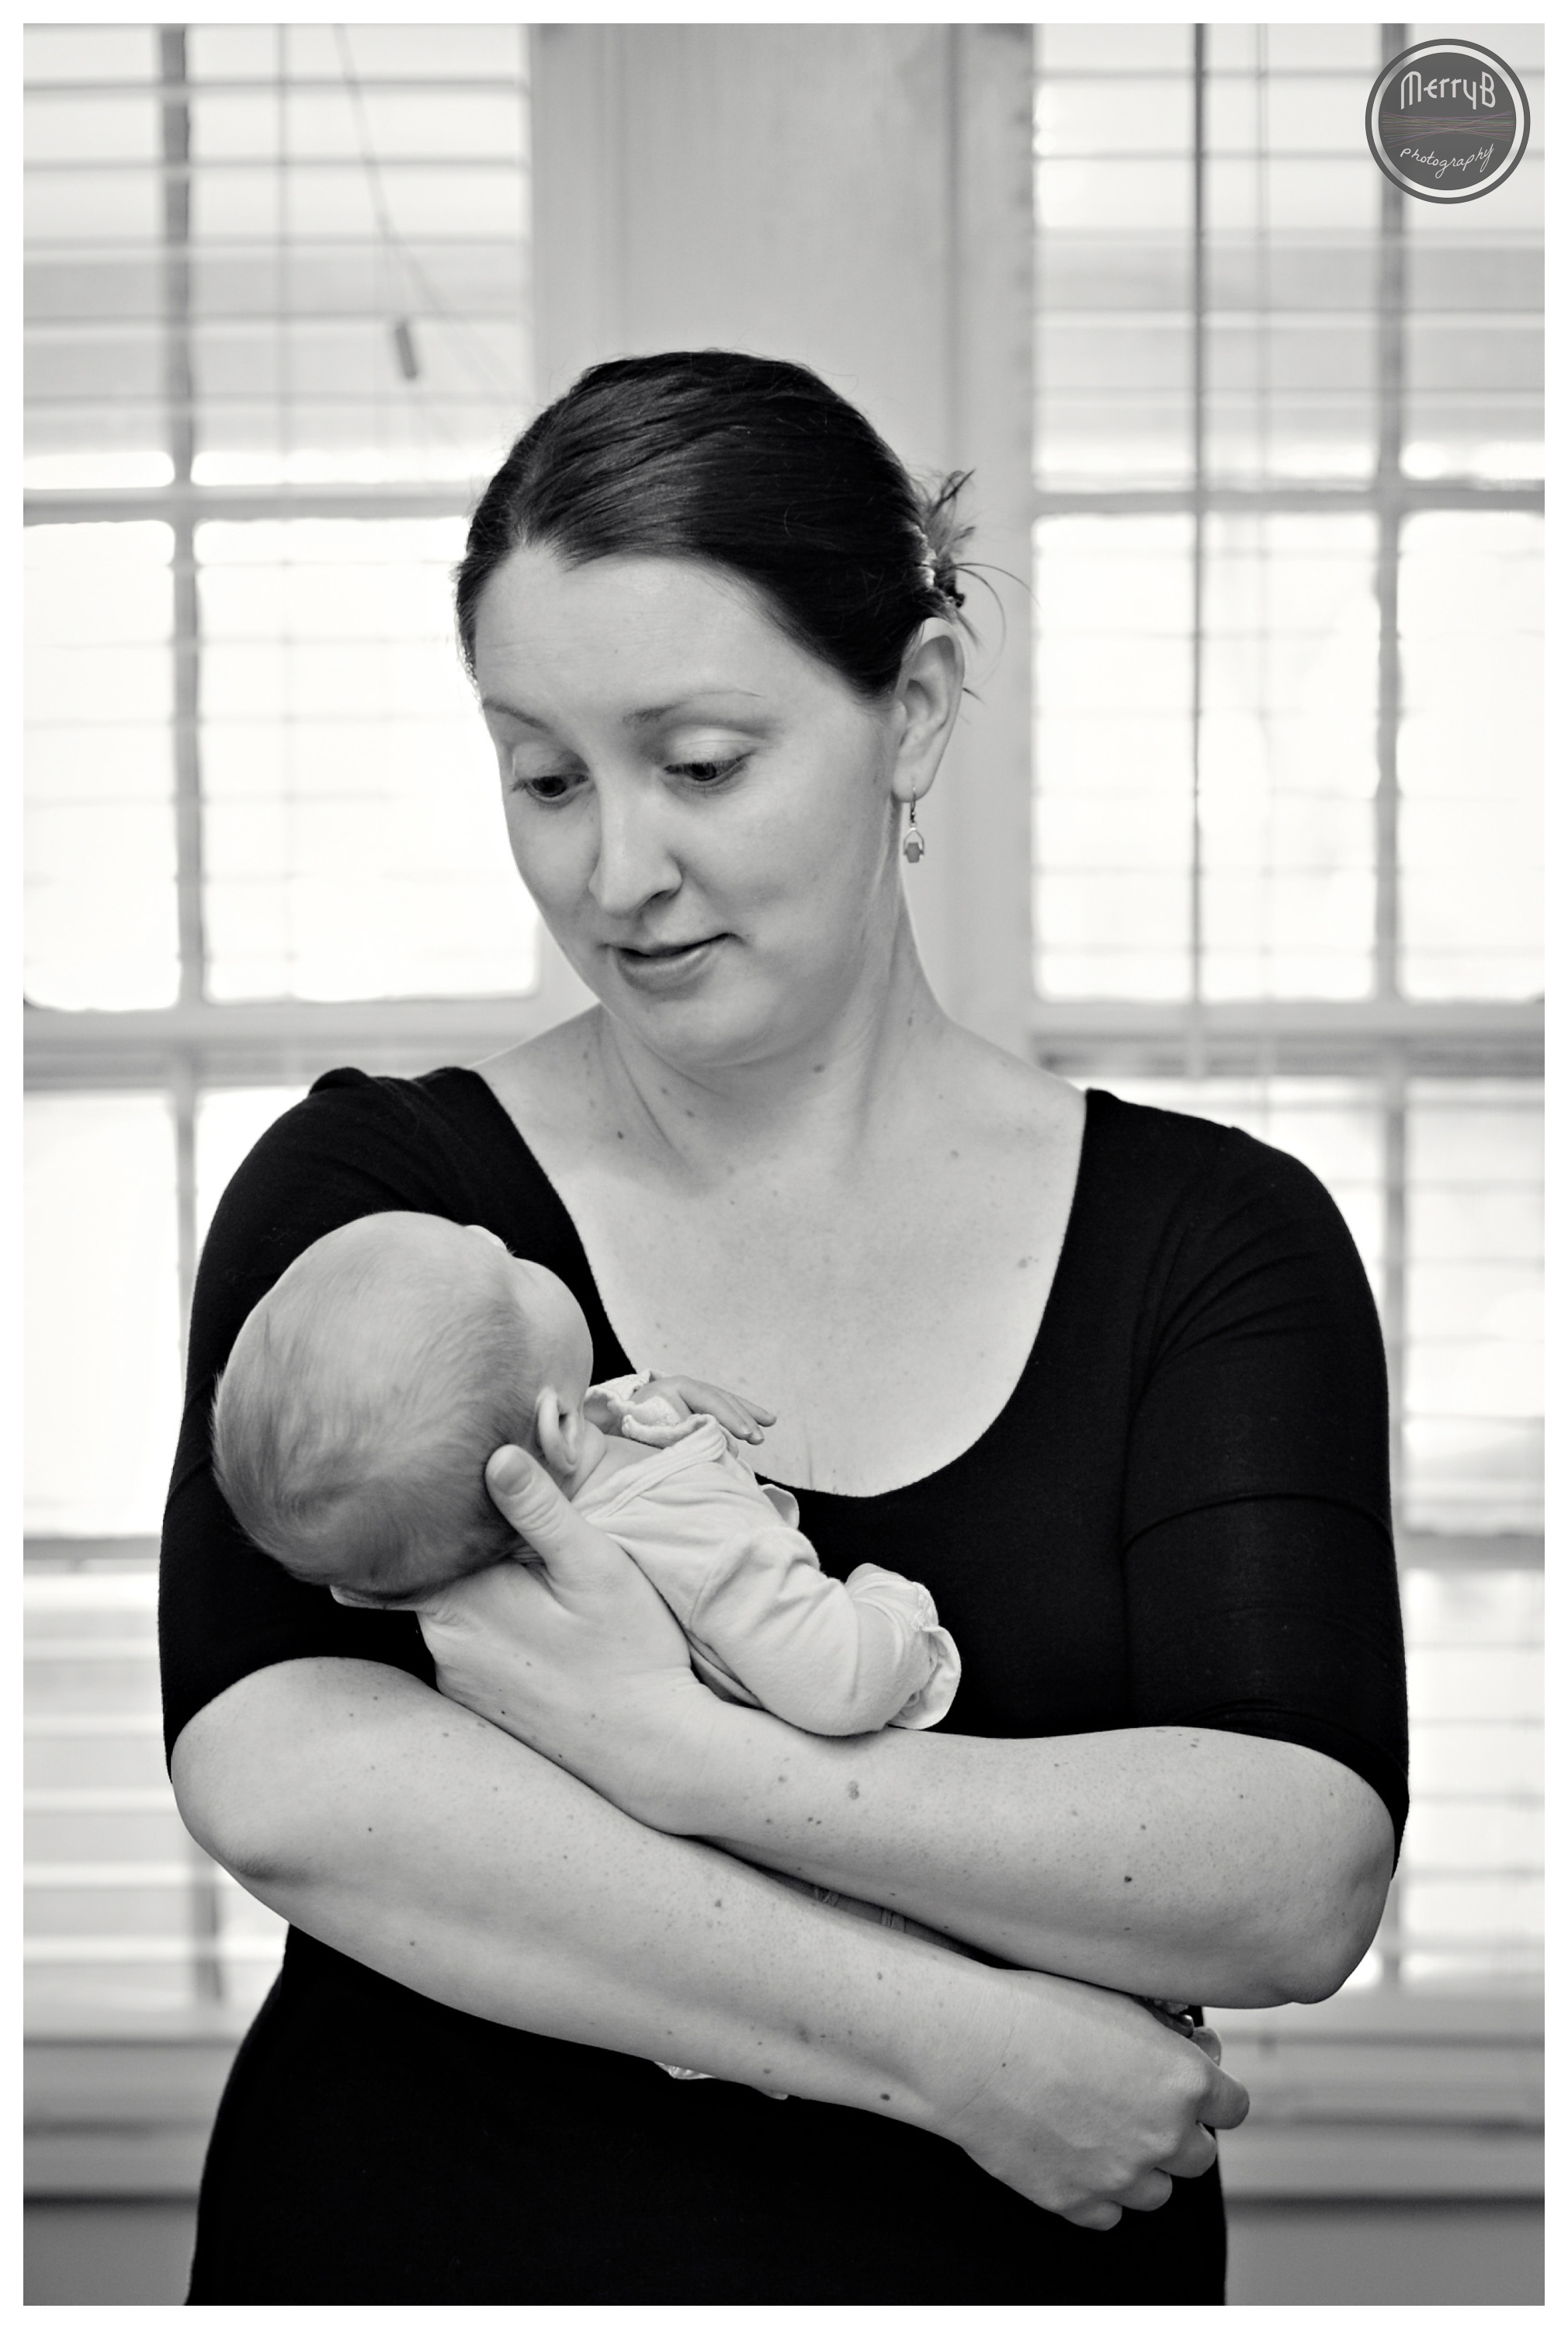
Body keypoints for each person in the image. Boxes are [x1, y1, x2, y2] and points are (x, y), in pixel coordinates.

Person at [161, 349, 1404, 2304]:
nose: (615, 872)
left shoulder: (1214, 1246)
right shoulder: (383, 1202)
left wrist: (687, 1761)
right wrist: (951, 2047)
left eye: (700, 763)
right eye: (544, 776)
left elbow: (1291, 1872)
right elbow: (288, 1774)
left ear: (911, 705)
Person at [208, 1209, 960, 1733]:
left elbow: (586, 1434)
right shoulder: (691, 1529)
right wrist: (891, 1604)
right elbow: (841, 1682)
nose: (487, 1232)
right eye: (510, 1267)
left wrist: (651, 1408)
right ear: (556, 1431)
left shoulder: (493, 1533)